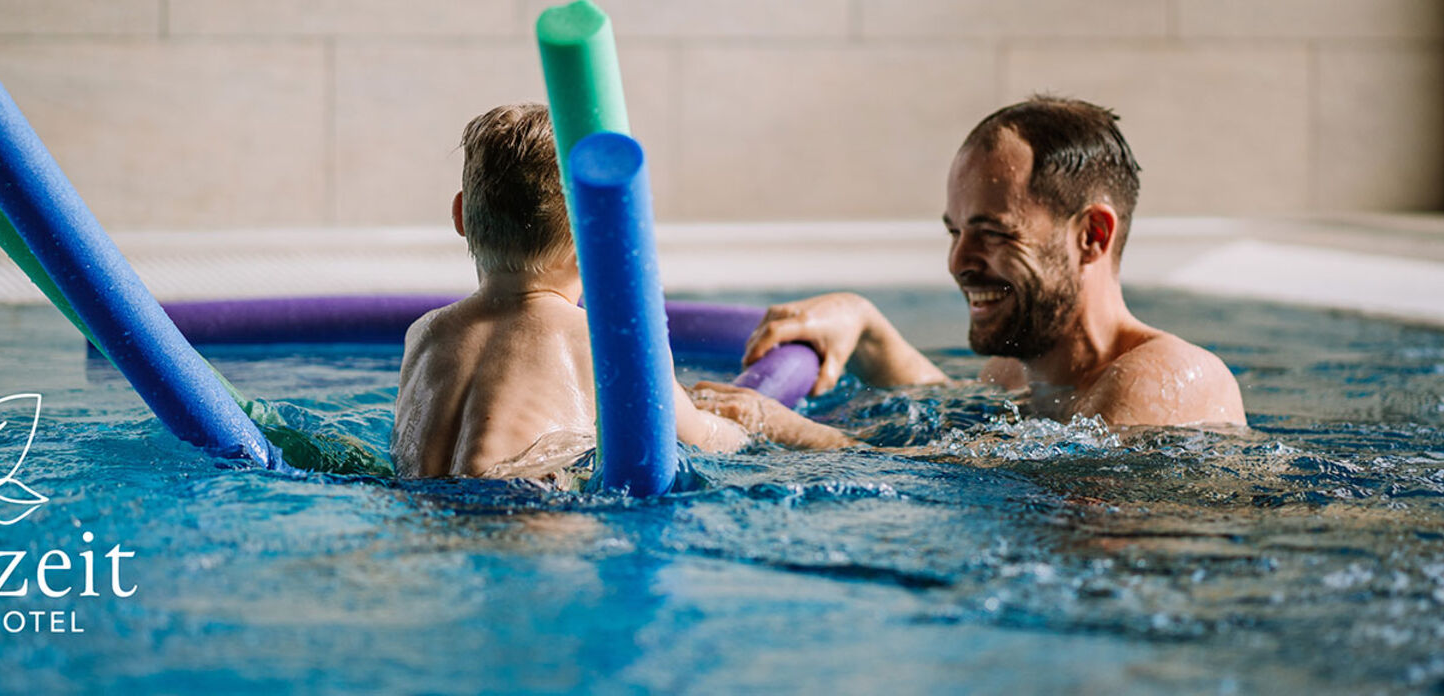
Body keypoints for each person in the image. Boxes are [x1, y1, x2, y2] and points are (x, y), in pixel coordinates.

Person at [692, 95, 1244, 438]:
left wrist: (788, 430)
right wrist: (864, 328)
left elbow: (1052, 512)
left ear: (1092, 235)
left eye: (994, 234)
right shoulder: (1015, 369)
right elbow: (948, 420)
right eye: (955, 232)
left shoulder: (1166, 378)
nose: (958, 263)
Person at [393, 103, 803, 481]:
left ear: (460, 215)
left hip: (417, 513)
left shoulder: (426, 334)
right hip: (523, 517)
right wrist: (759, 419)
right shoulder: (602, 339)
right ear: (599, 234)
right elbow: (702, 438)